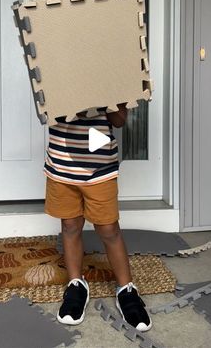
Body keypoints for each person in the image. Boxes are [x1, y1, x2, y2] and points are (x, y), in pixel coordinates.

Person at [44, 104, 152, 331]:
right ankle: (76, 284)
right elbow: (46, 109)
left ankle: (126, 289)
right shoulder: (55, 69)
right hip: (62, 163)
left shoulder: (111, 72)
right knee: (70, 225)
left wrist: (102, 96)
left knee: (108, 229)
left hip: (100, 167)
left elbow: (119, 120)